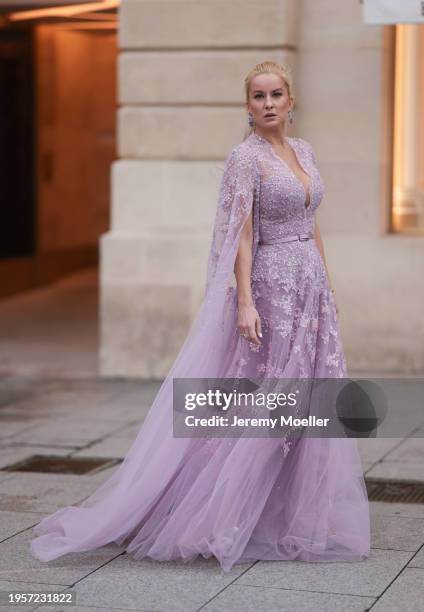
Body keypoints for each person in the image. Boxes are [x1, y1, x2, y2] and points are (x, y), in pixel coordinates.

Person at [30, 60, 370, 573]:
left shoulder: (304, 152)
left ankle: (279, 514)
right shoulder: (244, 159)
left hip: (310, 288)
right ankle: (218, 511)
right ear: (247, 105)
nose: (269, 104)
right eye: (258, 96)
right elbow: (242, 235)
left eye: (277, 94)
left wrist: (329, 284)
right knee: (267, 400)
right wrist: (246, 301)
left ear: (292, 100)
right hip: (272, 285)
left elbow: (311, 221)